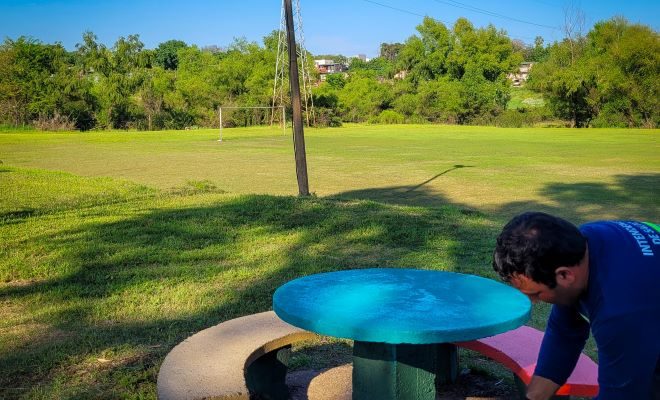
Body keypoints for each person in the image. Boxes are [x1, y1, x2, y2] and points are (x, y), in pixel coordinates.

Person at [492, 212, 660, 400]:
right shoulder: (582, 245)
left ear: (565, 275)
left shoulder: (621, 310)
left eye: (536, 294)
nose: (532, 301)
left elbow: (621, 394)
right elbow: (564, 333)